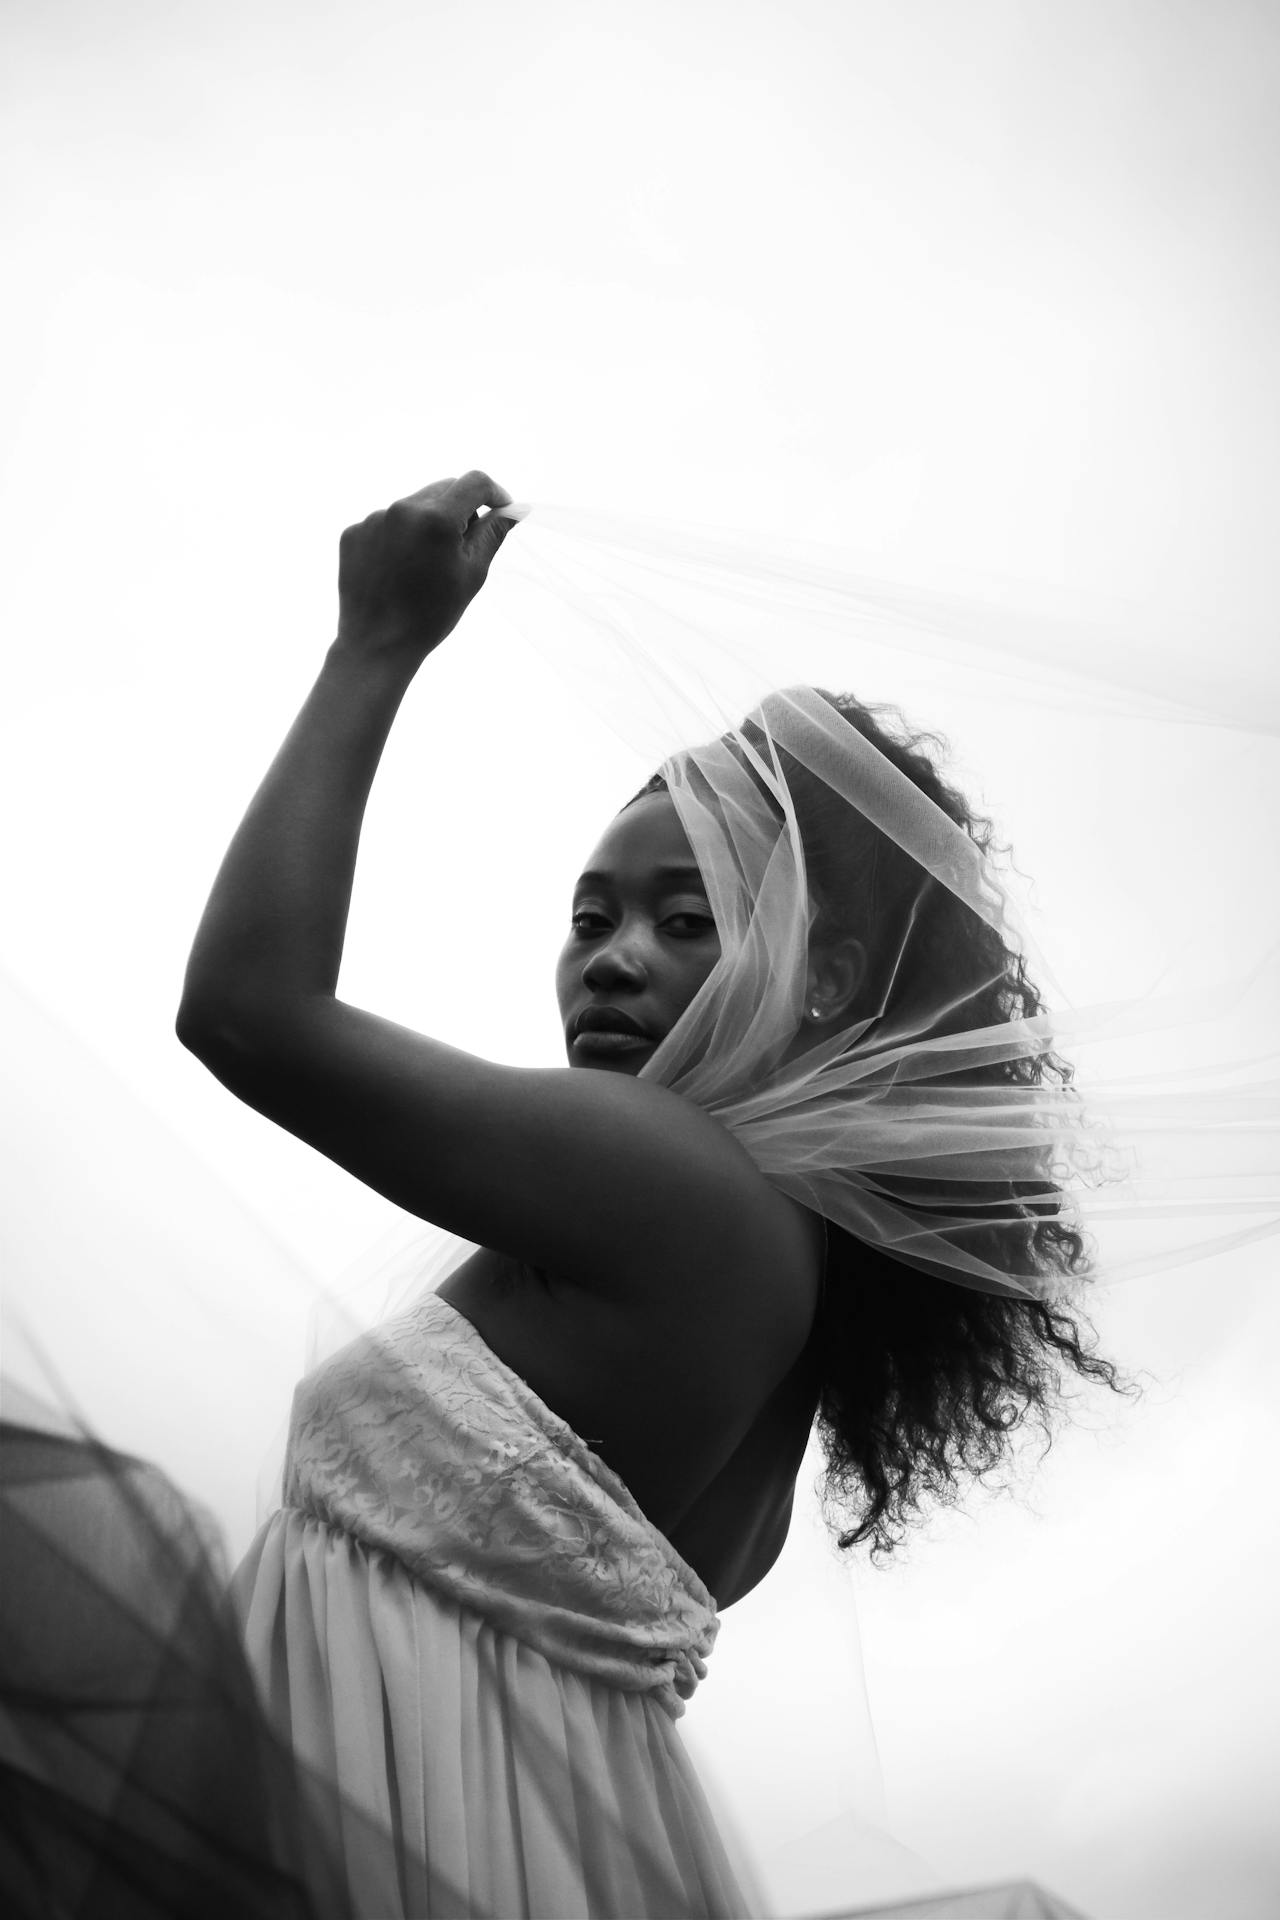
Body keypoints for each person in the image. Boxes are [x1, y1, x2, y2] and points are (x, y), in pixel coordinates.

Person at [175, 471, 1122, 1919]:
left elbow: (248, 1013)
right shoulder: (795, 1283)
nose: (613, 957)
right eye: (590, 917)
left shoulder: (671, 1174)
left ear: (826, 980)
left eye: (687, 920)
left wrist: (375, 645)